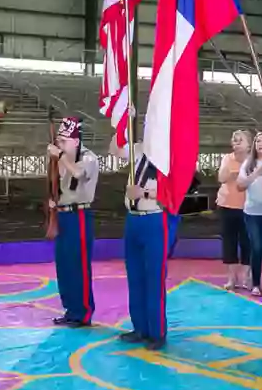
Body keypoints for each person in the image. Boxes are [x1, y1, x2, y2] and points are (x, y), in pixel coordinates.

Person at [112, 132, 180, 350]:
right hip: (133, 220)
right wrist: (121, 124)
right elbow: (114, 149)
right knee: (135, 275)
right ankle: (139, 327)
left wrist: (144, 193)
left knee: (154, 277)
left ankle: (156, 331)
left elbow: (177, 191)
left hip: (155, 219)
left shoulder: (170, 157)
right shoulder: (139, 149)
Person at [47, 117, 99, 327]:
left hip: (79, 215)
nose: (59, 144)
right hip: (63, 214)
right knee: (64, 265)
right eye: (58, 140)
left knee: (79, 265)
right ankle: (70, 309)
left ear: (75, 141)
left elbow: (77, 172)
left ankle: (83, 312)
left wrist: (59, 156)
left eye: (63, 140)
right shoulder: (60, 158)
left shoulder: (88, 158)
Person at [237, 131, 262, 296]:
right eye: (258, 141)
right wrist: (256, 173)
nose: (261, 144)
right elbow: (240, 185)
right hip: (252, 212)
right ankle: (255, 283)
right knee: (257, 246)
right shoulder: (248, 163)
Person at [216, 130, 252, 290]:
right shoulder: (227, 158)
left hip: (248, 208)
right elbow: (222, 178)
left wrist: (238, 175)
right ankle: (231, 278)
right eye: (234, 140)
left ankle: (245, 277)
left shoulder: (253, 161)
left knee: (247, 242)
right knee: (229, 242)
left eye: (240, 140)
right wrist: (239, 174)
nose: (236, 143)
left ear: (249, 144)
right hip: (227, 205)